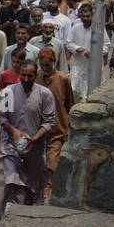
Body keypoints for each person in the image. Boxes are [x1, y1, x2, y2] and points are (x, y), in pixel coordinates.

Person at [0, 60, 57, 209]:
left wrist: (35, 137)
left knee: (31, 185)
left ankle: (27, 212)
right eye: (23, 75)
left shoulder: (45, 94)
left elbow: (49, 121)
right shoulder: (9, 92)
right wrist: (14, 131)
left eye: (29, 76)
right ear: (19, 74)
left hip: (34, 146)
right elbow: (2, 117)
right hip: (10, 143)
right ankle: (8, 211)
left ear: (35, 75)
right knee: (11, 179)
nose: (26, 79)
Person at [36, 46, 73, 203]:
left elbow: (70, 104)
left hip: (57, 127)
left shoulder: (63, 79)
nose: (45, 68)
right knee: (37, 159)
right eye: (42, 65)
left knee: (52, 159)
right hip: (37, 127)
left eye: (48, 65)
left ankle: (48, 186)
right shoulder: (35, 77)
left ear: (54, 62)